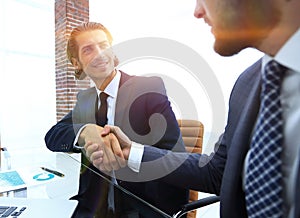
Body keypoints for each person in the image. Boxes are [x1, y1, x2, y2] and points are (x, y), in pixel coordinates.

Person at [86, 0, 300, 217]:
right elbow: (217, 173)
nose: (198, 12)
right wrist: (131, 150)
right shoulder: (248, 84)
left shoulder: (146, 88)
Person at [44, 22, 189, 217]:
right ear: (76, 63)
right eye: (88, 49)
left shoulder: (147, 89)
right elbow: (53, 136)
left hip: (142, 207)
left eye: (104, 46)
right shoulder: (85, 99)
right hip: (93, 207)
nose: (99, 54)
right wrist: (85, 131)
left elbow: (176, 156)